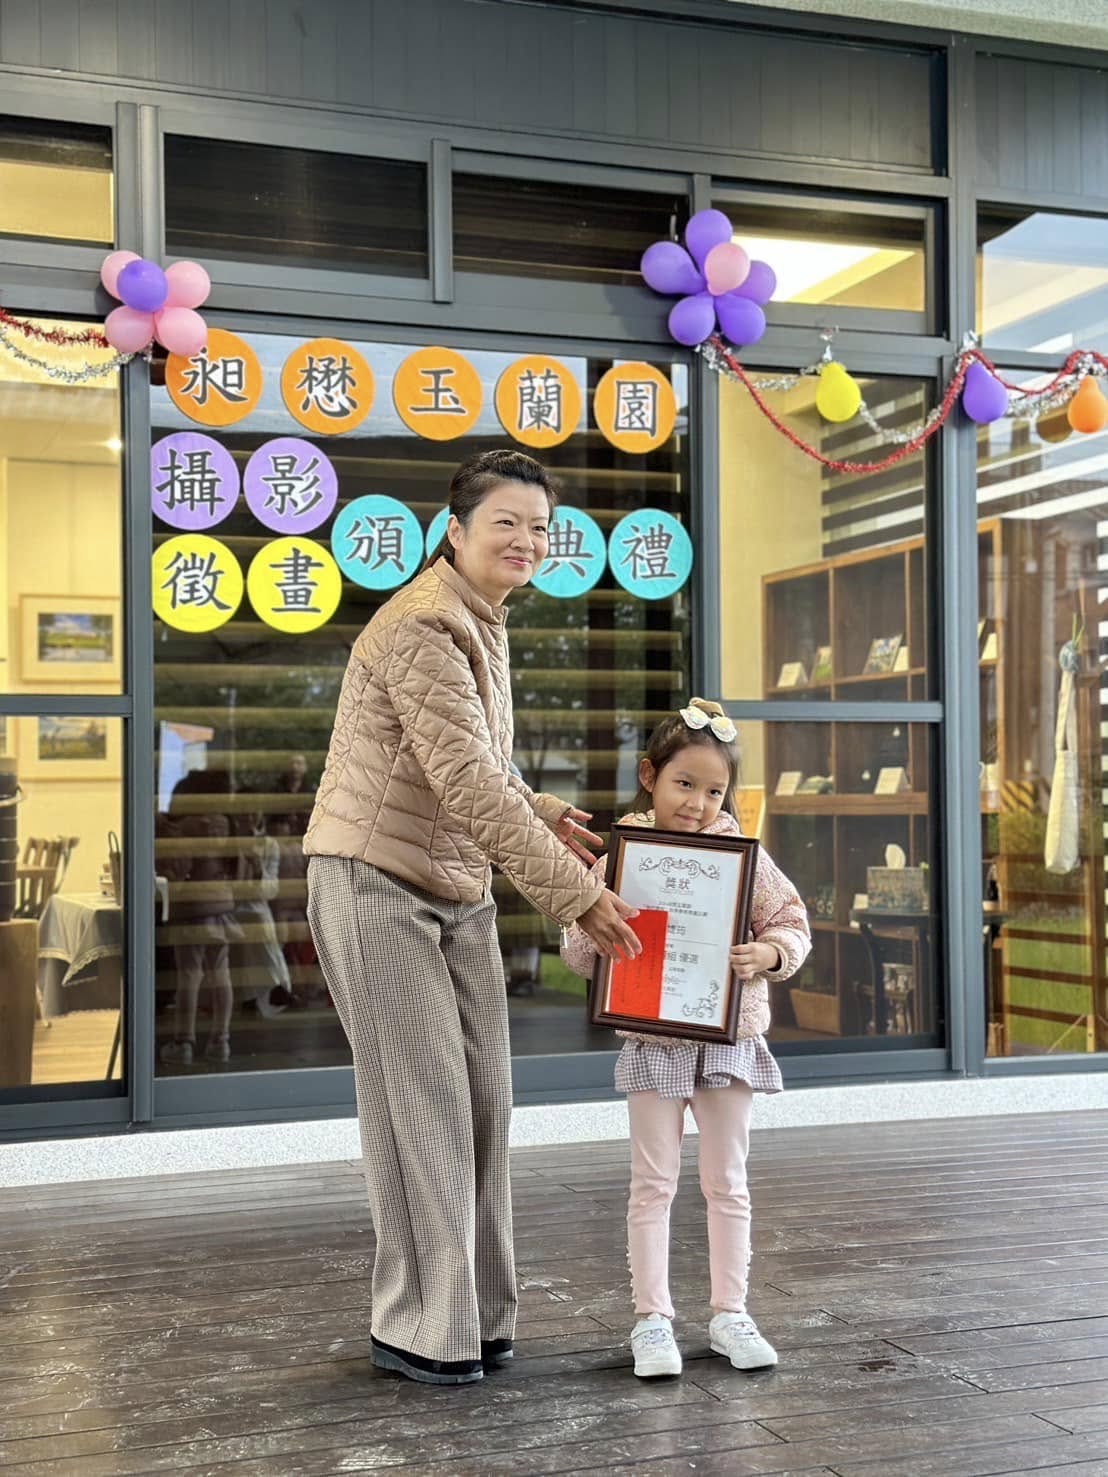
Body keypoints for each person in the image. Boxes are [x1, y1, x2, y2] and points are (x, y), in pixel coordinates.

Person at [304, 449, 641, 1386]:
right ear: (454, 530)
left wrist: (542, 808)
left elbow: (475, 766)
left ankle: (478, 1315)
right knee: (425, 1108)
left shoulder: (483, 620)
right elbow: (463, 781)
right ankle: (421, 1325)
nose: (527, 540)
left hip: (456, 887)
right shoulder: (423, 620)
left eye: (540, 527)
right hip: (374, 880)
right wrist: (578, 894)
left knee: (485, 1101)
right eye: (507, 523)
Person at [561, 698, 811, 1379]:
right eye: (684, 783)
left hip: (727, 1039)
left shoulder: (743, 859)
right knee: (653, 1183)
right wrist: (598, 926)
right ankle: (652, 1321)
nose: (698, 803)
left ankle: (731, 1313)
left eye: (714, 791)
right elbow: (578, 953)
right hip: (655, 1040)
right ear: (650, 776)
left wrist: (769, 953)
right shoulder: (623, 858)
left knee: (727, 1181)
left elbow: (791, 920)